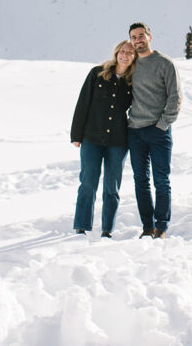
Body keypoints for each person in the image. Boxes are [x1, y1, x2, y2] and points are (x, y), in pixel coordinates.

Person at [70, 40, 135, 238]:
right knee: (88, 181)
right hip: (91, 137)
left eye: (130, 53)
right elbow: (83, 103)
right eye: (122, 51)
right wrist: (76, 134)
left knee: (111, 186)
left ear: (134, 57)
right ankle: (81, 226)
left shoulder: (134, 81)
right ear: (116, 52)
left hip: (118, 141)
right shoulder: (97, 73)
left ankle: (107, 229)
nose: (125, 55)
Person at [127, 22, 182, 239]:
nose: (138, 40)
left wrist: (163, 123)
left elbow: (175, 96)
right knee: (140, 181)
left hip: (158, 131)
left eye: (141, 35)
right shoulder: (130, 65)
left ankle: (161, 227)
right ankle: (147, 227)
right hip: (135, 132)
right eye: (134, 37)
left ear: (150, 37)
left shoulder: (164, 63)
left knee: (161, 180)